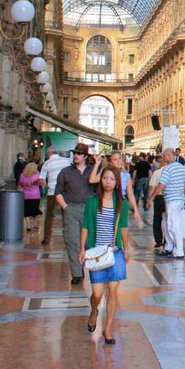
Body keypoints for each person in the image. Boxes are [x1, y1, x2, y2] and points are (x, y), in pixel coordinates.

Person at [79, 168, 131, 344]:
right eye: (105, 178)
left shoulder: (121, 203)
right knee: (97, 293)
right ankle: (94, 311)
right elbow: (85, 225)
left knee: (113, 290)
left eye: (112, 179)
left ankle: (108, 328)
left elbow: (123, 227)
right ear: (101, 180)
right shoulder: (92, 201)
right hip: (96, 252)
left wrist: (126, 248)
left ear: (117, 183)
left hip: (114, 251)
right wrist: (82, 249)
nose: (108, 181)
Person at [55, 143, 95, 285]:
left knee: (90, 241)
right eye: (75, 153)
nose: (75, 156)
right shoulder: (66, 172)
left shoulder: (92, 171)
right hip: (71, 209)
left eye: (79, 153)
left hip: (89, 209)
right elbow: (58, 192)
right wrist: (66, 207)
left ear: (85, 156)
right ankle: (77, 273)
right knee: (73, 242)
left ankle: (90, 268)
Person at [148, 149, 185, 258]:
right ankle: (169, 247)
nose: (162, 158)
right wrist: (182, 194)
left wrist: (151, 197)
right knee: (167, 222)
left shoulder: (167, 169)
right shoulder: (182, 167)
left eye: (163, 156)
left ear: (168, 155)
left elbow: (161, 185)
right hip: (179, 199)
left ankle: (179, 251)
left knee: (173, 225)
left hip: (171, 200)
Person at [88, 152, 142, 225]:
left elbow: (130, 194)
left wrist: (135, 210)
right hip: (106, 204)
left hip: (120, 204)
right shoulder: (106, 173)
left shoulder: (126, 176)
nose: (119, 161)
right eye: (115, 159)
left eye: (120, 158)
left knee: (121, 228)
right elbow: (92, 180)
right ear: (110, 162)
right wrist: (96, 164)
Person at [39, 148, 71, 245]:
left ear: (49, 153)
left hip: (52, 192)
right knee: (66, 215)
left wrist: (44, 183)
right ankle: (68, 238)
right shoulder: (66, 162)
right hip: (65, 192)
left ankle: (47, 238)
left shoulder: (47, 163)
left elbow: (42, 181)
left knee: (49, 215)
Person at [18, 161, 44, 232]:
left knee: (27, 211)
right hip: (36, 195)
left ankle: (28, 225)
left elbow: (20, 184)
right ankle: (35, 223)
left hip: (26, 195)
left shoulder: (22, 175)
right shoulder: (37, 175)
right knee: (35, 209)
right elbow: (42, 184)